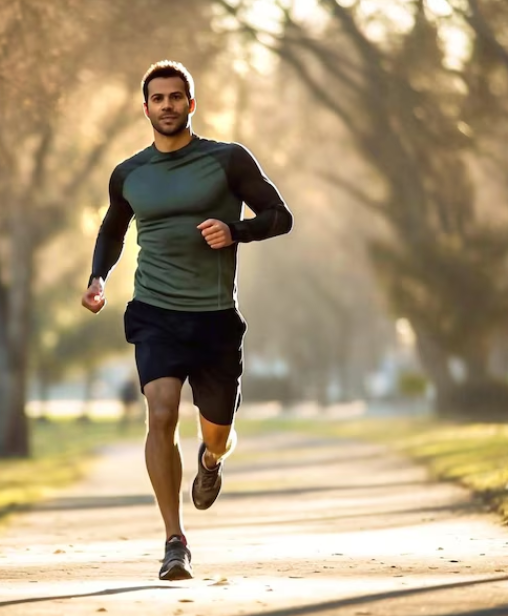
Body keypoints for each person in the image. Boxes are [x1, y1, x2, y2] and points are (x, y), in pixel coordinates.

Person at [80, 60, 293, 581]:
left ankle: (212, 461)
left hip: (215, 317)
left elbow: (279, 216)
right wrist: (98, 277)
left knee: (216, 430)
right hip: (155, 312)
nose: (168, 105)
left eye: (177, 97)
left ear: (191, 104)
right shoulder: (129, 173)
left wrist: (235, 231)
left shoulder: (227, 160)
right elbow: (112, 230)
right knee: (160, 413)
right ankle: (174, 541)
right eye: (159, 98)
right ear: (146, 106)